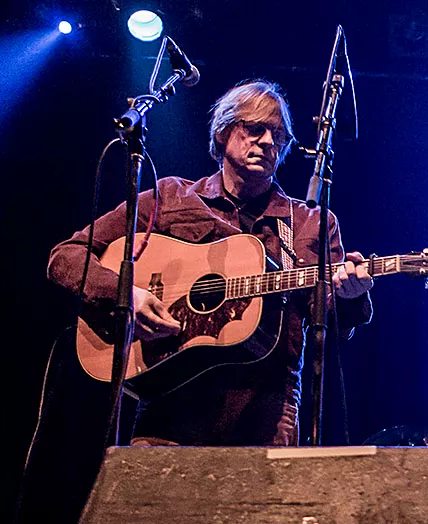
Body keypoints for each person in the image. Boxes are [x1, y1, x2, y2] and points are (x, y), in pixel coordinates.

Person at [47, 79, 374, 446]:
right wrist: (127, 295)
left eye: (279, 136)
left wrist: (349, 296)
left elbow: (326, 320)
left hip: (264, 418)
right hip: (169, 411)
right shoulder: (171, 197)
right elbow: (67, 256)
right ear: (223, 131)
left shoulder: (310, 222)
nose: (268, 142)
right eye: (255, 128)